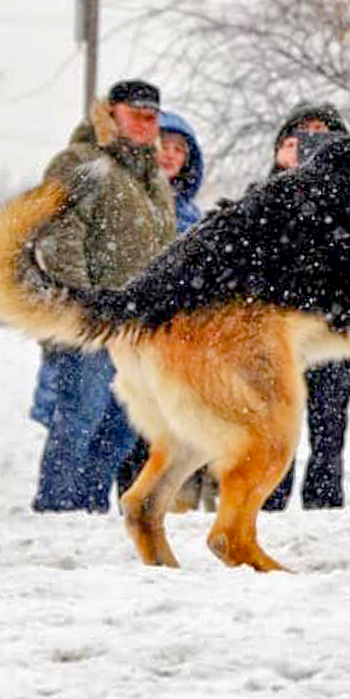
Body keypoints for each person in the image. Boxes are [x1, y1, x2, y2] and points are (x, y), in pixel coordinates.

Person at [29, 79, 177, 512]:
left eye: (153, 117)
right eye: (137, 114)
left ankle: (90, 510)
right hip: (91, 324)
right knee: (79, 419)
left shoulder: (153, 178)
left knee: (123, 426)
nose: (147, 124)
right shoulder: (81, 163)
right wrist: (86, 310)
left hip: (139, 329)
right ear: (110, 114)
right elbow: (59, 239)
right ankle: (58, 510)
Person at [261, 101, 350, 511]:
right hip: (281, 334)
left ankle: (324, 507)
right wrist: (283, 172)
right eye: (304, 133)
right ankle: (269, 502)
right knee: (276, 426)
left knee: (330, 429)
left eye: (325, 132)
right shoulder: (265, 196)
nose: (313, 141)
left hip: (333, 333)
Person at [115, 109, 209, 501]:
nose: (169, 155)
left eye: (178, 149)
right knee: (117, 428)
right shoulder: (125, 203)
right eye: (162, 146)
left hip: (174, 338)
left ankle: (155, 501)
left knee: (164, 428)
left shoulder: (193, 216)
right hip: (126, 329)